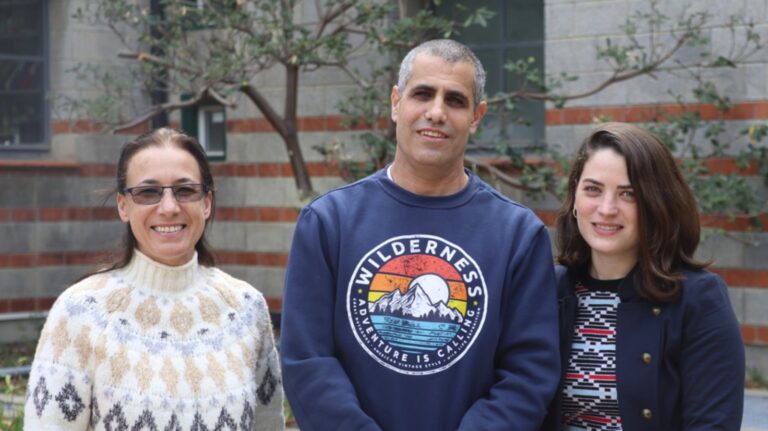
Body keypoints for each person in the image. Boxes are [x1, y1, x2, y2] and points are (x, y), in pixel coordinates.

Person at [279, 39, 560, 430]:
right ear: (396, 103)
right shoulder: (329, 222)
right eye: (423, 94)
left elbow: (528, 374)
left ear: (477, 116)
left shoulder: (518, 235)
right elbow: (306, 361)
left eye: (455, 101)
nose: (436, 112)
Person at [24, 128, 284, 430]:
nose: (170, 207)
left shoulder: (246, 310)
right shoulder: (80, 314)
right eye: (149, 192)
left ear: (207, 203)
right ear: (123, 205)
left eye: (185, 190)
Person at [540, 122, 745, 431]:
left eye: (629, 194)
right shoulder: (545, 290)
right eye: (593, 189)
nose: (607, 209)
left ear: (656, 205)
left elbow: (712, 424)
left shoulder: (699, 300)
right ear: (574, 201)